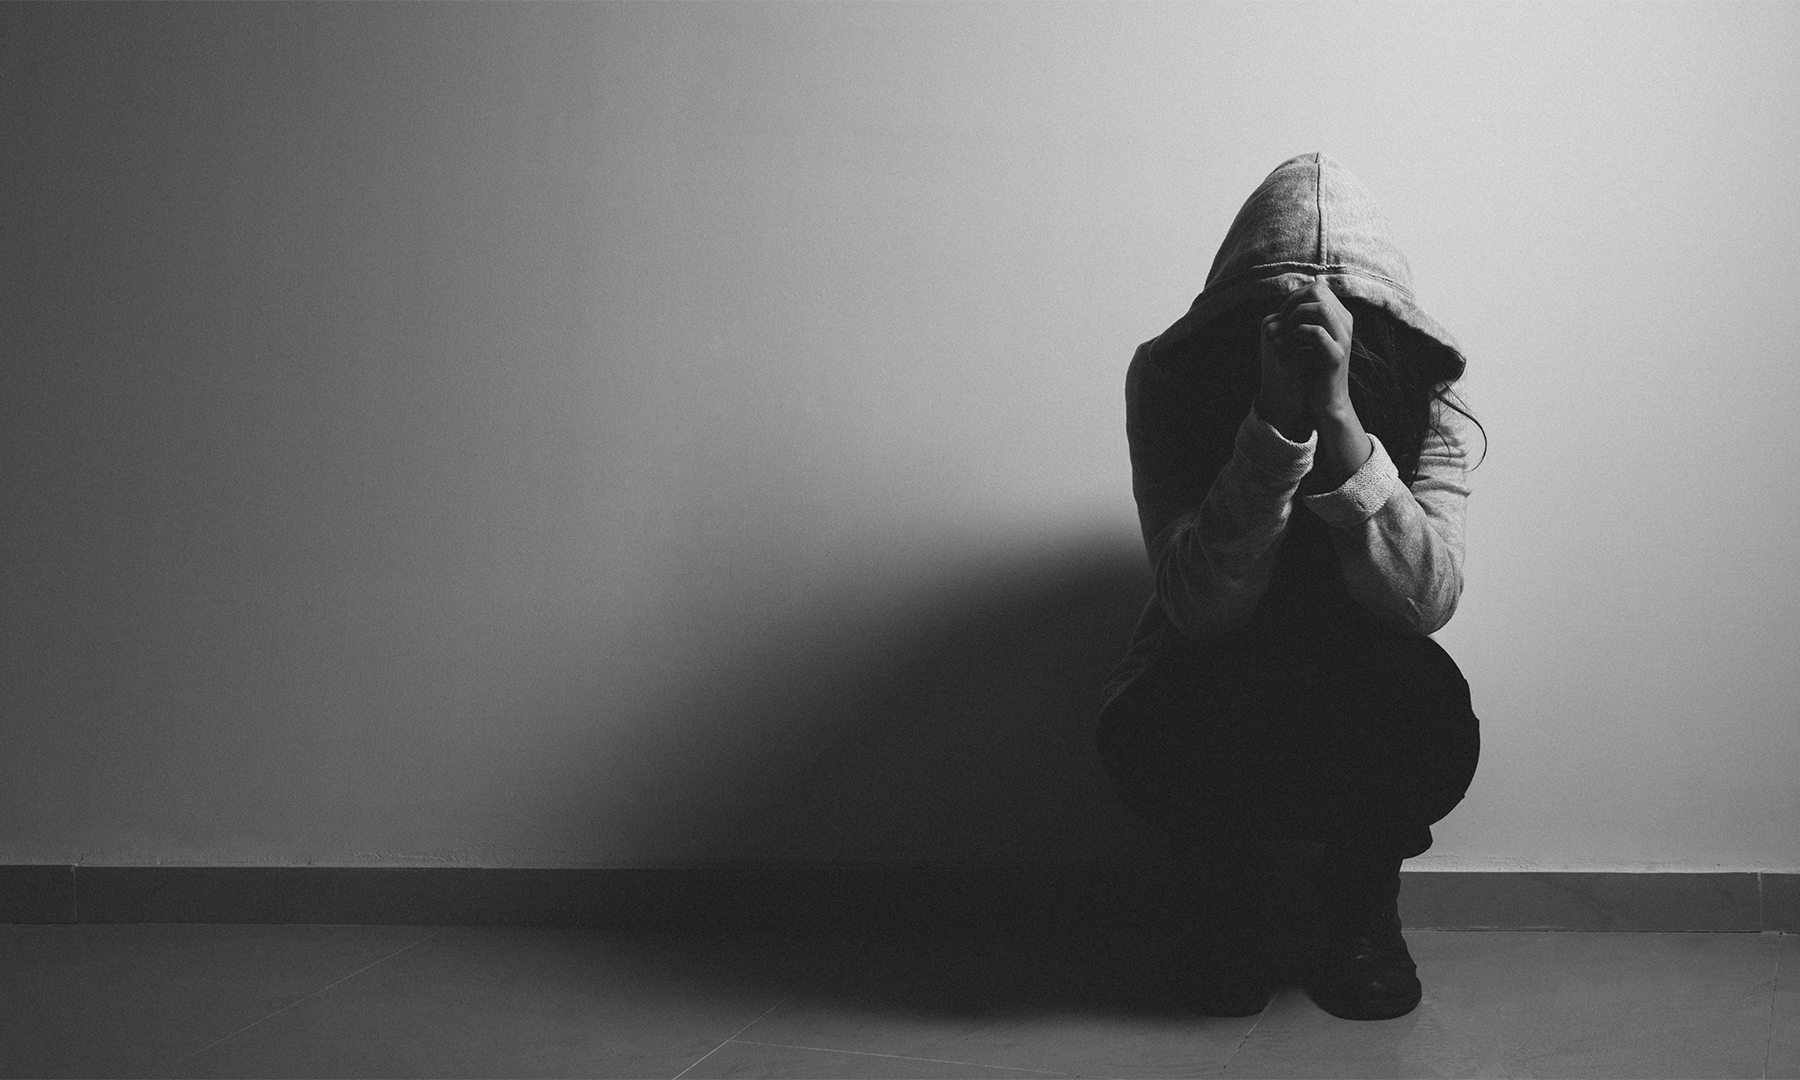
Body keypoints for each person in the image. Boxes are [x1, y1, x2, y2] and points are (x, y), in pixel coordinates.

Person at [1095, 152, 1486, 1021]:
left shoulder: (1433, 403)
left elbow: (1425, 603)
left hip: (1362, 688)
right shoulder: (1171, 384)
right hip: (1207, 682)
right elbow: (1197, 609)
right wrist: (1271, 430)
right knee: (1169, 706)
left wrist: (1343, 423)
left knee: (1421, 696)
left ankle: (1359, 907)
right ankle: (1221, 906)